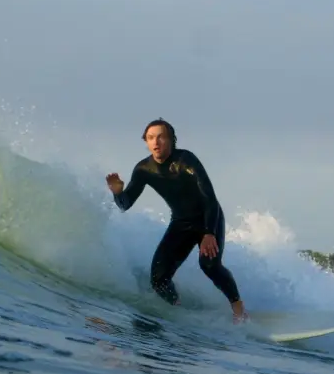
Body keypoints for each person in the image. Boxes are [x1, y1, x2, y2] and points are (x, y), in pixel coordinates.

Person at [105, 118, 248, 322]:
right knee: (158, 279)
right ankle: (176, 309)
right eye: (150, 138)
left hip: (209, 217)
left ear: (171, 140)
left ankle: (238, 308)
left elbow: (209, 197)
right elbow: (125, 205)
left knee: (209, 265)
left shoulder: (185, 160)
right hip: (181, 223)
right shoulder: (143, 169)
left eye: (161, 137)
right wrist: (118, 192)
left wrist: (209, 233)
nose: (156, 142)